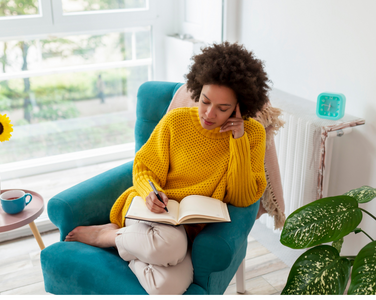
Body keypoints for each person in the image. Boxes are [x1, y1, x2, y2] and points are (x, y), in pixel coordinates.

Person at [64, 42, 270, 295]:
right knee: (169, 247)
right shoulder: (176, 121)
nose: (208, 113)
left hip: (189, 227)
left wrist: (238, 141)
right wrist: (150, 192)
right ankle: (106, 236)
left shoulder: (252, 134)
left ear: (241, 107)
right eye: (205, 101)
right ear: (198, 89)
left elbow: (243, 197)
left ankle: (124, 241)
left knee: (165, 287)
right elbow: (144, 167)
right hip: (152, 213)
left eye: (223, 108)